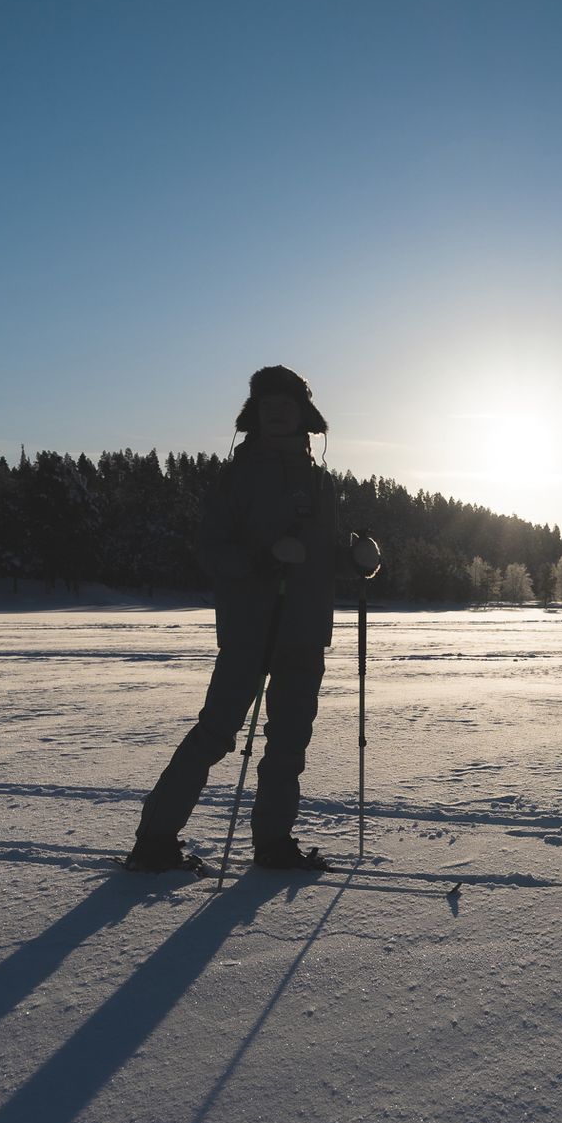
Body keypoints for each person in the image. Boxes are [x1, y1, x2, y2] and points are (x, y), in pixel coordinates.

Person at [125, 365, 381, 872]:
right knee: (218, 733)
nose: (278, 411)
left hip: (305, 632)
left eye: (287, 402)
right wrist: (263, 559)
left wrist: (356, 562)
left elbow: (322, 558)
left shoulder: (321, 481)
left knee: (289, 742)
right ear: (256, 413)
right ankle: (154, 841)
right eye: (268, 404)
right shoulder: (238, 475)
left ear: (304, 412)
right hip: (251, 629)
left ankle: (274, 846)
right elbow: (211, 551)